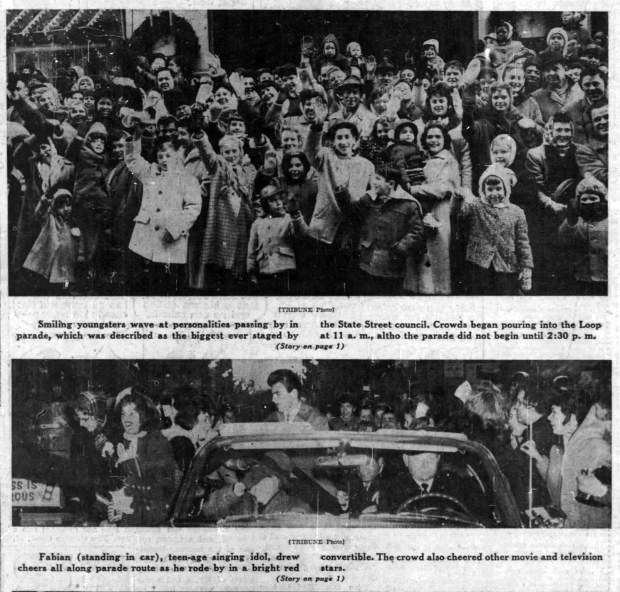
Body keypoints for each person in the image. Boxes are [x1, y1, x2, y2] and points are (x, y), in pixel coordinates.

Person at [124, 122, 201, 295]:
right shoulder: (150, 172)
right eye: (160, 156)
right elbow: (132, 159)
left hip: (170, 241)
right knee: (140, 284)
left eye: (168, 155)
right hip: (144, 239)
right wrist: (135, 137)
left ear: (177, 155)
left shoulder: (188, 180)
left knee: (166, 284)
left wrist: (175, 229)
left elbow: (193, 208)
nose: (164, 159)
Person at [349, 165, 424, 295]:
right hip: (368, 260)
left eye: (378, 179)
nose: (374, 182)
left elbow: (417, 231)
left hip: (393, 263)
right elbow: (353, 214)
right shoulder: (369, 198)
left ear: (391, 183)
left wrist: (401, 247)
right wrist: (341, 191)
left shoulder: (409, 204)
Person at [106, 393, 179, 526]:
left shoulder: (158, 442)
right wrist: (113, 506)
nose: (126, 420)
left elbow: (163, 488)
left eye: (132, 414)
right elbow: (114, 483)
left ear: (144, 416)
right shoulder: (121, 441)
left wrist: (131, 464)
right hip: (128, 517)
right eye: (123, 414)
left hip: (152, 516)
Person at [405, 123, 460, 295]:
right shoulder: (421, 158)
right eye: (430, 137)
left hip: (440, 211)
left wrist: (414, 190)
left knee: (437, 253)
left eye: (438, 136)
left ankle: (439, 292)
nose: (434, 140)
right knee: (418, 254)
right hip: (418, 210)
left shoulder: (448, 160)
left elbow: (443, 188)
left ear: (444, 139)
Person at [247, 183, 306, 295]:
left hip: (286, 270)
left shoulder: (289, 219)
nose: (278, 203)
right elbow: (251, 252)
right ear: (265, 205)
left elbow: (300, 234)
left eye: (280, 199)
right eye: (273, 200)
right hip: (264, 272)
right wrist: (252, 273)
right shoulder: (257, 224)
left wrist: (295, 215)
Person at [23, 189, 83, 294]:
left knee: (67, 284)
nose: (66, 209)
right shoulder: (50, 219)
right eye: (61, 206)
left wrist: (81, 255)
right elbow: (39, 213)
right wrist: (43, 202)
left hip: (68, 262)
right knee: (53, 286)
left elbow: (80, 242)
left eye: (68, 205)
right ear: (55, 207)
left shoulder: (74, 223)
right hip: (54, 262)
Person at [558, 175, 607, 296]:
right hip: (584, 276)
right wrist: (571, 220)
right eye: (584, 199)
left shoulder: (610, 221)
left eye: (593, 198)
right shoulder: (576, 220)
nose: (588, 202)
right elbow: (564, 237)